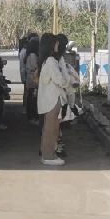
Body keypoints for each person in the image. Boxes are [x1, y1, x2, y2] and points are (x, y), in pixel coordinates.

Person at [37, 33, 69, 166]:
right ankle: (48, 156)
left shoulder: (47, 60)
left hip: (50, 99)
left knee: (50, 127)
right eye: (56, 43)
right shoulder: (51, 61)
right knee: (52, 128)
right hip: (52, 99)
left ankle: (49, 154)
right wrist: (67, 80)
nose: (58, 45)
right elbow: (60, 80)